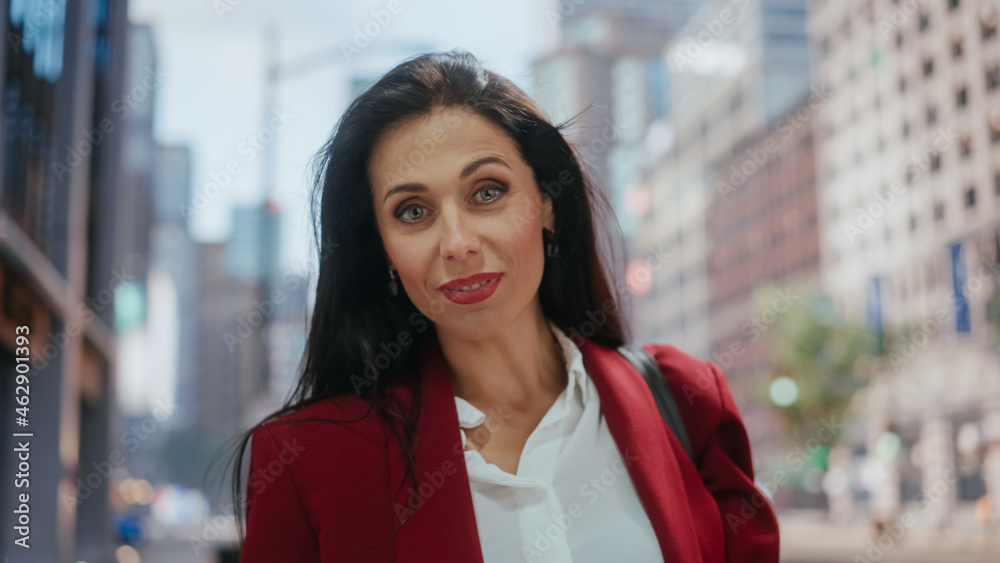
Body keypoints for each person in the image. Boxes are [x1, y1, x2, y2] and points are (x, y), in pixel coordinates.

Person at [231, 50, 779, 562]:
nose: (458, 242)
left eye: (487, 192)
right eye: (413, 211)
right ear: (382, 251)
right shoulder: (307, 461)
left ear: (546, 203)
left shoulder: (689, 404)